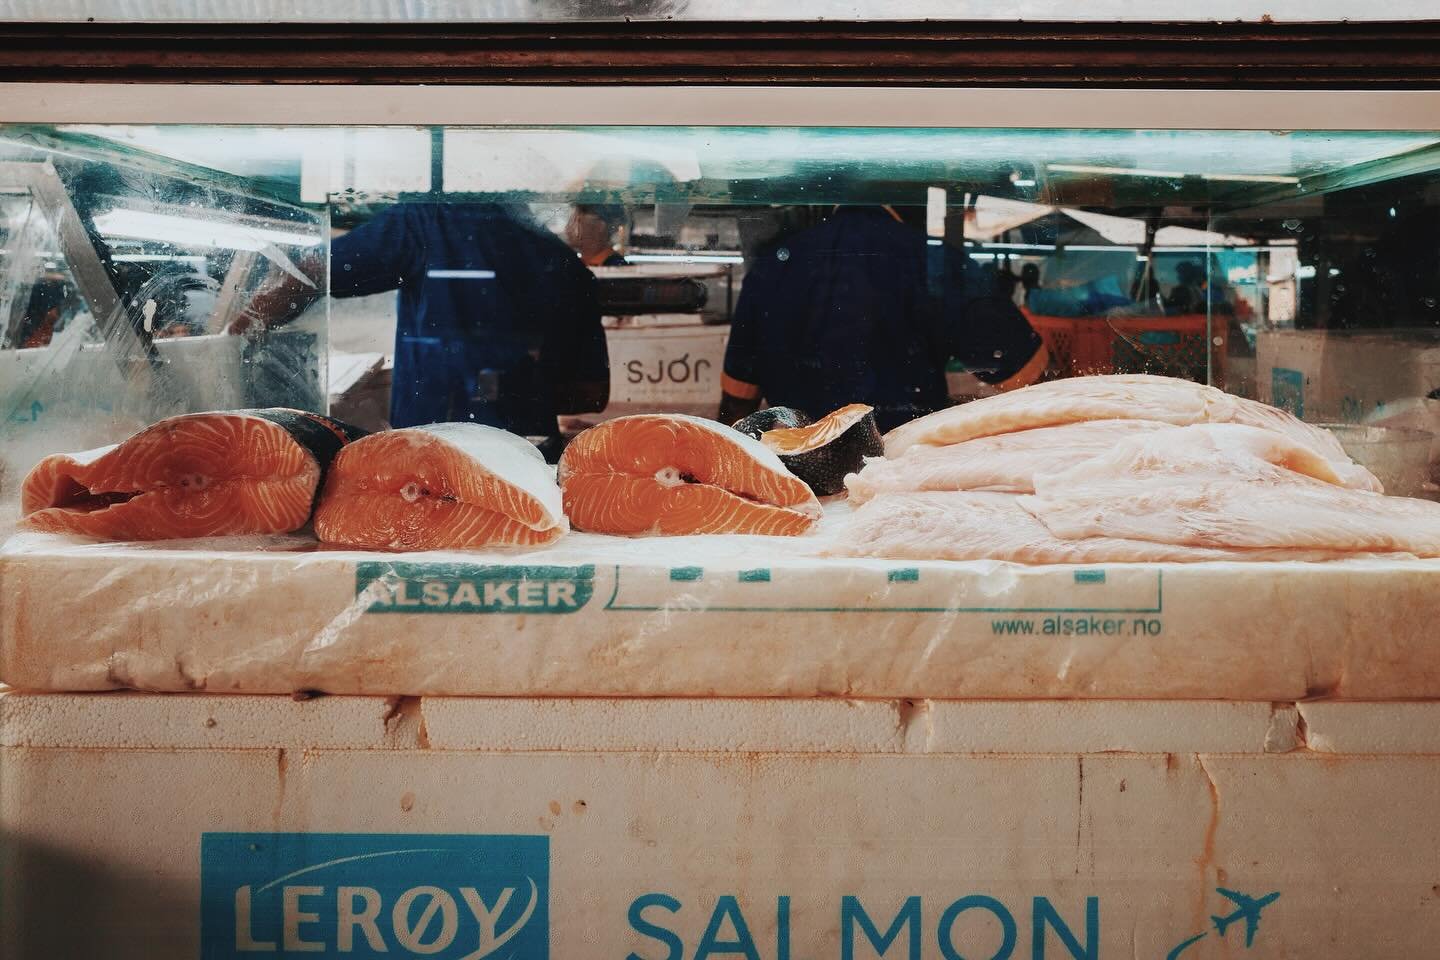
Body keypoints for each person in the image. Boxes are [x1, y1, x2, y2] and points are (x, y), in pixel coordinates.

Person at [251, 201, 609, 458]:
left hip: (427, 456)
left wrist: (241, 335)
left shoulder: (426, 220)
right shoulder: (565, 266)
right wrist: (512, 388)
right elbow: (590, 394)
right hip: (528, 456)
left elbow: (305, 272)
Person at [719, 204, 1048, 431]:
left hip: (803, 476)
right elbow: (1028, 374)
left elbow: (736, 405)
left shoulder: (773, 265)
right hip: (905, 468)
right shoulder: (934, 259)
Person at [564, 203, 629, 268]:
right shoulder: (575, 264)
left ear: (600, 226)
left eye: (577, 221)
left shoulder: (618, 268)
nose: (568, 228)